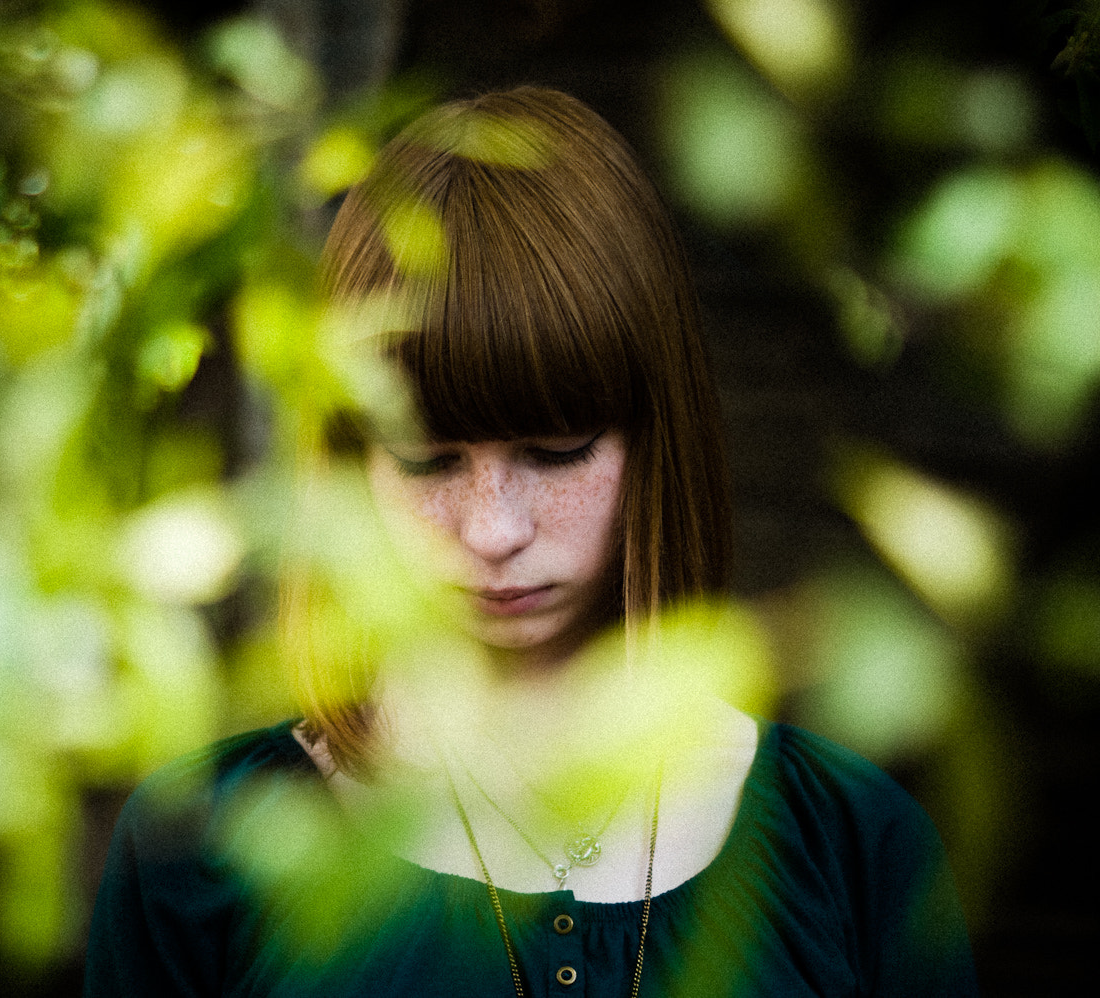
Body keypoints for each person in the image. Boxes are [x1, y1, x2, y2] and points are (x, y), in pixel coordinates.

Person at [84, 87, 979, 997]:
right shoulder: (200, 855)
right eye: (428, 462)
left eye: (557, 451)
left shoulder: (855, 847)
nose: (494, 529)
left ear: (656, 437)